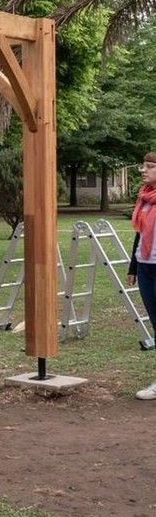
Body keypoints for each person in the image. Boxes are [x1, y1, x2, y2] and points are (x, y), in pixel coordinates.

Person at [126, 152, 156, 400]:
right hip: (146, 266)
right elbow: (140, 233)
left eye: (150, 166)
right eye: (143, 166)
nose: (143, 170)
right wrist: (133, 267)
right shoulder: (144, 198)